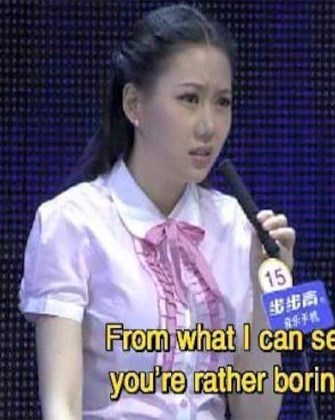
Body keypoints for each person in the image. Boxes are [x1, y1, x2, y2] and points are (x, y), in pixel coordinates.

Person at [18, 5, 293, 419]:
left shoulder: (235, 225)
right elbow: (61, 406)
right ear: (134, 104)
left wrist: (267, 293)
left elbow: (258, 412)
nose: (209, 126)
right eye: (189, 99)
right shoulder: (73, 222)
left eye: (222, 102)